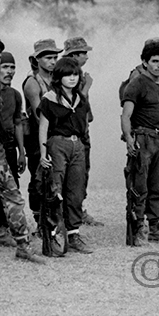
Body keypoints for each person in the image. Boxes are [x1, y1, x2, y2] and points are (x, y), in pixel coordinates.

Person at [119, 37, 159, 232]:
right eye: (154, 61)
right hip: (142, 138)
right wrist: (129, 139)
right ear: (145, 62)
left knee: (158, 185)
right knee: (139, 185)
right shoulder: (136, 84)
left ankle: (155, 225)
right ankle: (137, 226)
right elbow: (126, 115)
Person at [38, 57, 93, 254]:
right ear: (58, 77)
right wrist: (43, 152)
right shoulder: (49, 99)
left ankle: (74, 233)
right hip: (57, 144)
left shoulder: (81, 100)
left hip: (76, 144)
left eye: (76, 74)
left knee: (76, 190)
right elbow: (43, 128)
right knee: (55, 189)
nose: (72, 78)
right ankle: (54, 235)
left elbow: (86, 124)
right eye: (68, 75)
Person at [63, 37, 102, 227]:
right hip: (72, 134)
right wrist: (86, 87)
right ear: (73, 55)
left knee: (82, 173)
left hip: (82, 130)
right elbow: (75, 103)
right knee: (74, 176)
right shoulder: (68, 75)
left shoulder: (77, 74)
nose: (86, 56)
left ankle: (77, 210)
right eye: (83, 53)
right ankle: (71, 214)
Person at [22, 39, 62, 229]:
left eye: (55, 57)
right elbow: (41, 117)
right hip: (38, 139)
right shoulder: (33, 83)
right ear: (37, 60)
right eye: (48, 57)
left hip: (56, 135)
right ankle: (40, 220)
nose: (53, 61)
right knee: (39, 180)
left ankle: (54, 220)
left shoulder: (57, 80)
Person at [0, 51, 26, 246]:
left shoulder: (15, 95)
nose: (9, 72)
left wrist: (21, 152)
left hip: (9, 145)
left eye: (12, 67)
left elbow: (18, 123)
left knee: (11, 187)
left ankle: (7, 228)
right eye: (5, 67)